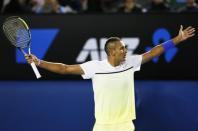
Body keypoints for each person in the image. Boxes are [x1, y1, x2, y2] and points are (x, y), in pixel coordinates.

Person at [25, 25, 195, 131]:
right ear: (112, 51)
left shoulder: (131, 62)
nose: (125, 50)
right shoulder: (95, 67)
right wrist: (40, 62)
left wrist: (177, 39)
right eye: (122, 48)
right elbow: (64, 69)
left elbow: (154, 51)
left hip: (126, 125)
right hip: (101, 126)